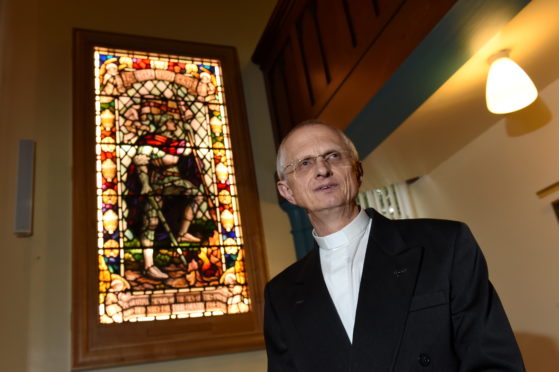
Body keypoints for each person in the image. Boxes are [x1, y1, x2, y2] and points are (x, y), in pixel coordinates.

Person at [264, 121, 525, 371]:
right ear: (287, 191)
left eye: (333, 156)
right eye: (305, 163)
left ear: (358, 170)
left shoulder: (445, 244)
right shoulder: (280, 294)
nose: (322, 169)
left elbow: (493, 362)